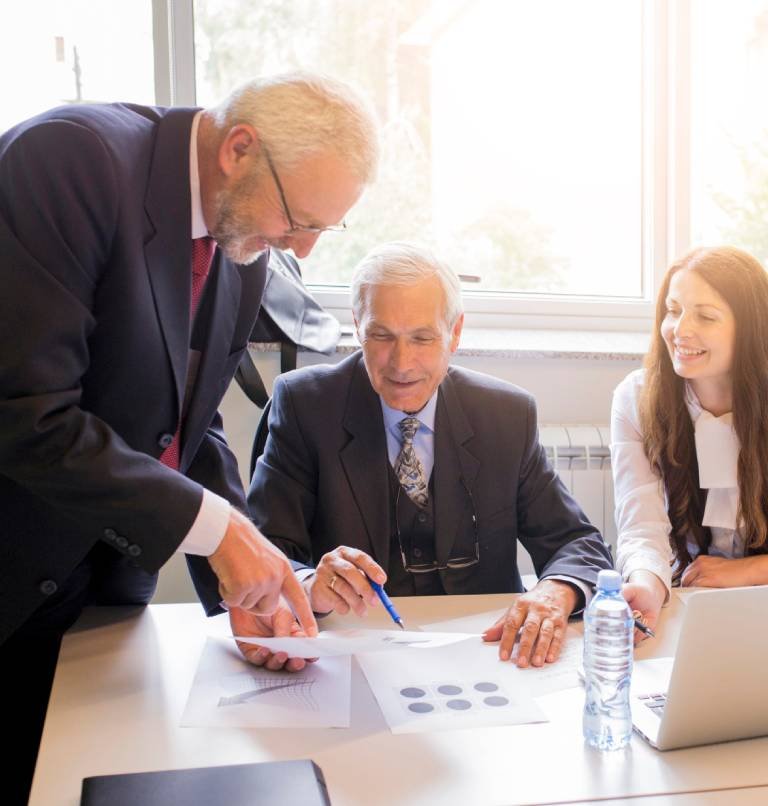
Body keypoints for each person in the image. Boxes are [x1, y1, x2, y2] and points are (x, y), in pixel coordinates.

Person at [0, 72, 378, 804]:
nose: (299, 246)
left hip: (97, 591)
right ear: (238, 147)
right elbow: (26, 413)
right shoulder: (69, 163)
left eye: (322, 231)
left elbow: (191, 426)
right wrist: (220, 532)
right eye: (299, 218)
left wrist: (253, 581)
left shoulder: (243, 254)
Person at [245, 241, 613, 669]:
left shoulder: (506, 415)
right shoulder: (305, 405)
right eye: (382, 336)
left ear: (455, 333)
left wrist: (555, 592)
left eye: (422, 338)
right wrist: (309, 583)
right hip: (355, 653)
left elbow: (576, 542)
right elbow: (264, 547)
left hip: (483, 654)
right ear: (357, 325)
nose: (402, 363)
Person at [611, 246, 768, 641]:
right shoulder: (637, 398)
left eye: (706, 316)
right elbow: (642, 526)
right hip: (694, 599)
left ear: (751, 325)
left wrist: (749, 571)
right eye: (673, 309)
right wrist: (647, 584)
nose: (679, 330)